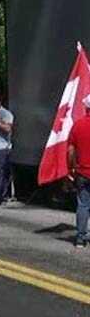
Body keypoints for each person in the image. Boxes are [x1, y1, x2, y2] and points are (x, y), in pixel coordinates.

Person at [69, 97, 90, 248]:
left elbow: (71, 150)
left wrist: (72, 166)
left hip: (82, 171)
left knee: (83, 205)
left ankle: (80, 238)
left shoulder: (77, 125)